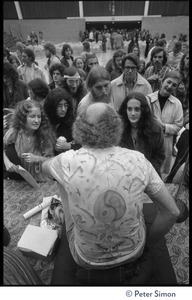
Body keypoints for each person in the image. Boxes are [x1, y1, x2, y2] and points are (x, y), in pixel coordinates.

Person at [42, 102, 179, 285]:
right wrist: (146, 241)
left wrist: (59, 164)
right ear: (116, 126)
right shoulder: (137, 159)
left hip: (84, 258)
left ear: (80, 128)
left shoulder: (66, 160)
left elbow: (44, 167)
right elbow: (172, 213)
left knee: (61, 178)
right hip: (134, 252)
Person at [4, 99, 55, 182]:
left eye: (39, 116)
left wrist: (37, 158)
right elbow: (4, 146)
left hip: (41, 181)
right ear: (23, 118)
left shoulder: (44, 136)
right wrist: (7, 162)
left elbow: (52, 160)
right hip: (21, 181)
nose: (36, 120)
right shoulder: (15, 132)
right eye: (32, 116)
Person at [118, 92, 165, 176]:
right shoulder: (119, 129)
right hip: (125, 176)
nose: (132, 113)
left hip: (149, 175)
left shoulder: (155, 129)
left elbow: (160, 155)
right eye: (129, 109)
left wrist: (145, 172)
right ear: (125, 110)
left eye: (137, 109)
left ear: (143, 110)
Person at [146, 71, 183, 175]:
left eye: (174, 85)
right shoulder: (148, 99)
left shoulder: (177, 104)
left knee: (159, 175)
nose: (170, 86)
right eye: (168, 82)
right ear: (162, 81)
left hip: (165, 144)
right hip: (148, 142)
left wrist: (163, 127)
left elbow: (178, 125)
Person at [43, 88, 81, 155]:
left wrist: (68, 146)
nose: (63, 109)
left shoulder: (72, 123)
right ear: (52, 106)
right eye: (59, 105)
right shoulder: (44, 122)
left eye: (65, 105)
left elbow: (83, 146)